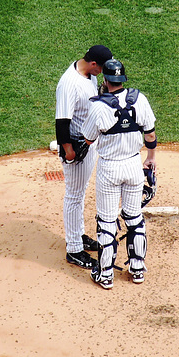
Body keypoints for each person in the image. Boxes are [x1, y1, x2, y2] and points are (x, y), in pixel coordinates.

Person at [81, 59, 157, 290]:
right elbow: (151, 135)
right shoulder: (140, 99)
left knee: (106, 220)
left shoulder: (98, 106)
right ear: (123, 79)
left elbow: (88, 139)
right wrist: (151, 159)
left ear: (104, 80)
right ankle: (137, 270)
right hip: (134, 166)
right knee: (134, 217)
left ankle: (105, 275)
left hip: (110, 169)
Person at [55, 45, 113, 269]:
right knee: (74, 195)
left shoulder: (88, 75)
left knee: (80, 192)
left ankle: (78, 236)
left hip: (88, 143)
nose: (103, 74)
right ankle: (74, 250)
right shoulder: (69, 83)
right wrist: (70, 152)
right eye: (102, 69)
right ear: (93, 64)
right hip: (77, 147)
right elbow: (62, 122)